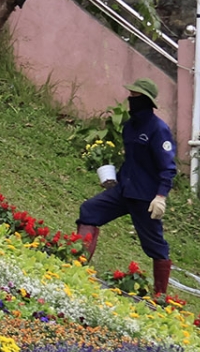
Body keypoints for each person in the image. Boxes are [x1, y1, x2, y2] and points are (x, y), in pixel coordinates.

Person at [75, 79, 177, 299]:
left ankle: (160, 296)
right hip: (123, 190)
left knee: (155, 245)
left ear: (146, 100)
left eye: (135, 96)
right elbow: (132, 160)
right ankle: (77, 264)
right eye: (130, 95)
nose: (131, 100)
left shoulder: (159, 130)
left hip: (145, 197)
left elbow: (168, 167)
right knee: (89, 211)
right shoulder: (130, 127)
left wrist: (161, 196)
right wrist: (114, 178)